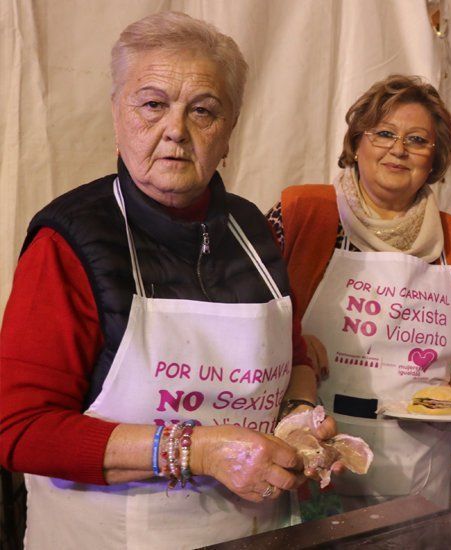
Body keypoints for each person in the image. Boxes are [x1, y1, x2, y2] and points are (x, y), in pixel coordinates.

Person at [0, 13, 331, 548]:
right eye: (153, 104)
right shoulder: (69, 241)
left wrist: (297, 417)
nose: (175, 129)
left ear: (229, 132)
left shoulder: (252, 229)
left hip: (251, 533)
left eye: (203, 110)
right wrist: (197, 451)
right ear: (117, 115)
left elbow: (292, 360)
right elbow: (18, 428)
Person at [268, 75, 451, 509]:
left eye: (417, 140)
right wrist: (291, 343)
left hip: (420, 468)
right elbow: (250, 313)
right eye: (384, 133)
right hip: (312, 453)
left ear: (434, 157)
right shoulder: (301, 213)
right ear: (357, 143)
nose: (398, 149)